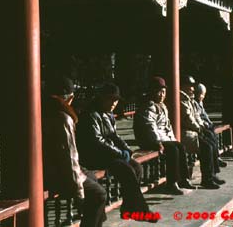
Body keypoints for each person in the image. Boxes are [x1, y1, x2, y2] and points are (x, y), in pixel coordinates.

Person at [76, 83, 157, 223]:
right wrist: (119, 153)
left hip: (107, 153)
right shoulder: (91, 114)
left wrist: (126, 149)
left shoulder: (108, 114)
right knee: (124, 168)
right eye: (111, 99)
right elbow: (97, 141)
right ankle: (141, 210)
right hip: (92, 155)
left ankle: (128, 207)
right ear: (102, 98)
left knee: (137, 167)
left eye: (116, 100)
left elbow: (114, 136)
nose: (114, 103)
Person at [43, 77, 106, 227]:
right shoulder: (64, 117)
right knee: (99, 194)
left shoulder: (45, 110)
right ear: (70, 98)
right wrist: (79, 192)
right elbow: (69, 156)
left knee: (92, 177)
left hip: (49, 169)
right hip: (59, 174)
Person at [134, 77, 194, 195]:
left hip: (162, 138)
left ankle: (183, 179)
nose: (162, 95)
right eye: (159, 91)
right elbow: (149, 127)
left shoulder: (162, 106)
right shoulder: (148, 106)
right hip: (149, 139)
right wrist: (158, 141)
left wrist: (173, 139)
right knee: (173, 150)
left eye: (164, 92)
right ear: (152, 91)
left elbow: (168, 127)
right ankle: (172, 183)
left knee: (179, 146)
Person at [180, 76, 225, 189]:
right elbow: (188, 119)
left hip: (193, 130)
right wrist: (199, 128)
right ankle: (207, 179)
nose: (192, 89)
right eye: (190, 86)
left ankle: (212, 174)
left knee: (211, 140)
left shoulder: (188, 99)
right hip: (185, 132)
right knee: (206, 146)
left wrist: (202, 126)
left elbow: (196, 116)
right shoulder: (181, 100)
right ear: (183, 86)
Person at [194, 83, 228, 168]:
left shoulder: (200, 102)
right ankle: (216, 160)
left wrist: (209, 123)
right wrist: (205, 124)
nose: (202, 97)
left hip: (204, 124)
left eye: (203, 95)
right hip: (199, 126)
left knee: (213, 134)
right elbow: (197, 117)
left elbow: (205, 115)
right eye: (201, 94)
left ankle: (217, 157)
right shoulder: (194, 103)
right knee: (209, 139)